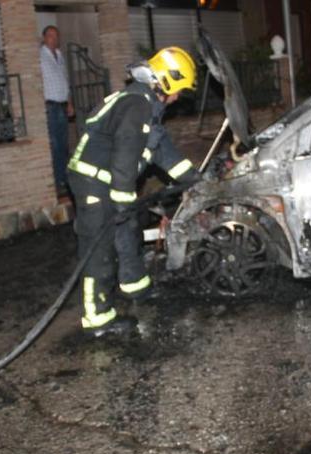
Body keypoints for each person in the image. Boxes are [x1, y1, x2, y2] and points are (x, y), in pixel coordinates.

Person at [67, 46, 201, 335]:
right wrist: (122, 200)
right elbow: (125, 157)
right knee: (99, 251)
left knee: (126, 233)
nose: (178, 98)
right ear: (165, 81)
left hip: (110, 181)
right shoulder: (136, 105)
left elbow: (162, 151)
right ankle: (98, 320)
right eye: (178, 90)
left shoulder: (146, 106)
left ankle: (134, 286)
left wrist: (195, 179)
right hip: (94, 184)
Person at [40, 25, 75, 196]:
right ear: (44, 38)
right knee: (54, 146)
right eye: (50, 36)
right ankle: (56, 182)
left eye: (56, 36)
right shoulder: (40, 57)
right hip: (50, 106)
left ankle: (63, 180)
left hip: (62, 106)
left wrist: (69, 103)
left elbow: (65, 81)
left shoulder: (60, 56)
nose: (54, 39)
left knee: (63, 146)